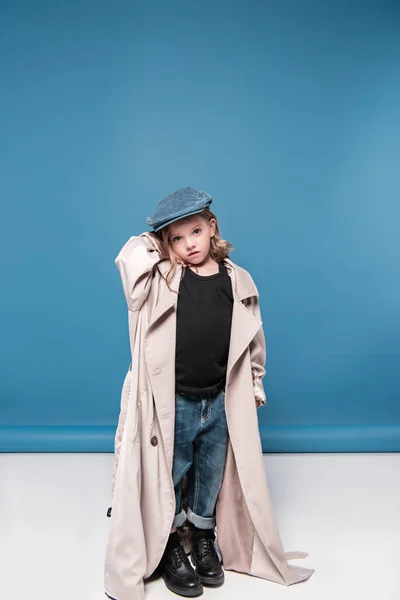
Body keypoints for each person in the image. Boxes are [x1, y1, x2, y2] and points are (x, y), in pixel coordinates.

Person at [104, 187, 314, 600]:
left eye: (195, 232)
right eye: (177, 239)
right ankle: (168, 545)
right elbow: (130, 264)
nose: (189, 245)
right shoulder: (165, 275)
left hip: (219, 399)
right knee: (172, 471)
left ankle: (202, 537)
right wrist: (155, 238)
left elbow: (253, 337)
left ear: (212, 227)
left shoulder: (235, 279)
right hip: (177, 401)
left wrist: (254, 379)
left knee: (210, 475)